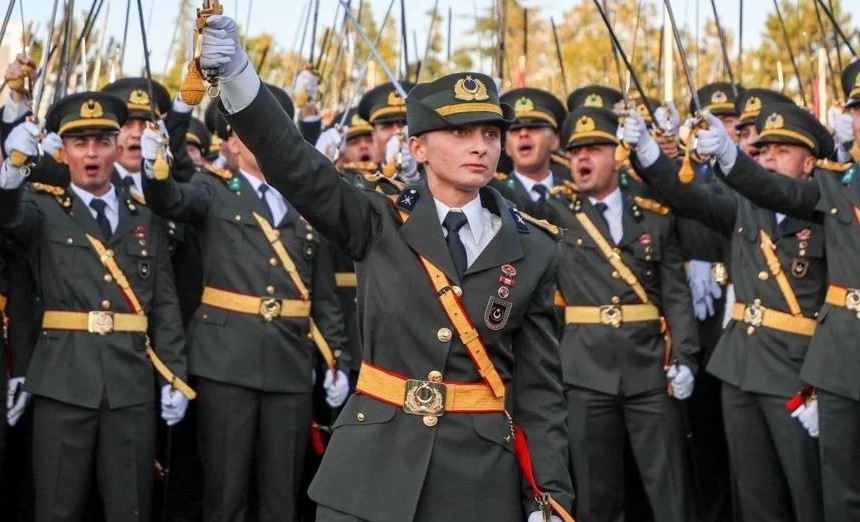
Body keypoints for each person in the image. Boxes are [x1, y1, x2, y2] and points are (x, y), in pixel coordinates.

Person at [197, 14, 574, 522]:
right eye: (460, 132)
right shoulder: (376, 217)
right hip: (370, 471)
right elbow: (295, 163)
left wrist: (549, 499)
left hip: (478, 478)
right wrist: (239, 77)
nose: (480, 145)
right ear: (417, 147)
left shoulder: (536, 248)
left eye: (490, 132)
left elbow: (540, 393)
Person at [141, 81, 349, 521]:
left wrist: (337, 361)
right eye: (253, 129)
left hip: (290, 364)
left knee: (282, 495)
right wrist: (162, 141)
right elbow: (167, 196)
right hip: (226, 363)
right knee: (225, 493)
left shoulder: (307, 198)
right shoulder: (213, 188)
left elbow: (324, 295)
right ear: (231, 141)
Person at [623, 102, 828, 522]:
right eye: (763, 150)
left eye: (782, 151)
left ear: (810, 163)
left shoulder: (826, 208)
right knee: (753, 495)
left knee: (809, 493)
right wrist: (647, 150)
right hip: (740, 367)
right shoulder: (744, 209)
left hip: (799, 372)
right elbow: (687, 197)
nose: (768, 158)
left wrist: (826, 383)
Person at [0, 91, 189, 522]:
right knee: (57, 507)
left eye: (102, 141)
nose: (91, 153)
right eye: (80, 142)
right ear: (62, 151)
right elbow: (8, 218)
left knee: (131, 507)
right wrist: (12, 171)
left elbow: (164, 302)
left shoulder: (146, 215)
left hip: (130, 384)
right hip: (63, 382)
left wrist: (174, 373)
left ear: (117, 145)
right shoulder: (42, 206)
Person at [695, 62, 860, 521]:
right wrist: (728, 156)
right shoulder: (838, 186)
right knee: (833, 498)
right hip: (840, 361)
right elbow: (775, 190)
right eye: (858, 108)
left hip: (803, 361)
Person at [546, 105, 698, 521]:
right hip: (585, 371)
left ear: (618, 154)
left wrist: (685, 356)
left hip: (650, 368)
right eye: (576, 150)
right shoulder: (555, 212)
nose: (582, 158)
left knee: (671, 491)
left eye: (594, 148)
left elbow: (676, 295)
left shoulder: (652, 214)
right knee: (595, 496)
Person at [489, 88, 567, 213]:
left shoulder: (577, 194)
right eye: (515, 129)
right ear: (506, 146)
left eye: (533, 127)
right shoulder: (494, 196)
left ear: (554, 141)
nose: (523, 133)